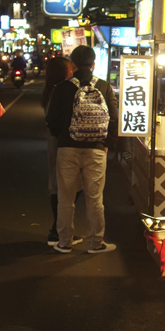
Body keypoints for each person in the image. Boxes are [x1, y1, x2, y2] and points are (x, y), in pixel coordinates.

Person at [46, 45, 118, 255]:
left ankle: (64, 242)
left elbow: (51, 120)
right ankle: (96, 243)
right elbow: (113, 118)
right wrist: (105, 145)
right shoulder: (104, 87)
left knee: (65, 198)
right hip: (96, 150)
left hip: (67, 149)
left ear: (73, 65)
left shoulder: (61, 88)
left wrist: (63, 137)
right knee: (95, 199)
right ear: (94, 64)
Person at [41, 54, 73, 246]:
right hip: (59, 141)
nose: (72, 71)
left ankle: (58, 228)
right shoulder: (59, 90)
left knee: (58, 183)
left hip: (54, 140)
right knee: (60, 185)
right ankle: (57, 230)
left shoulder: (50, 90)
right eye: (69, 68)